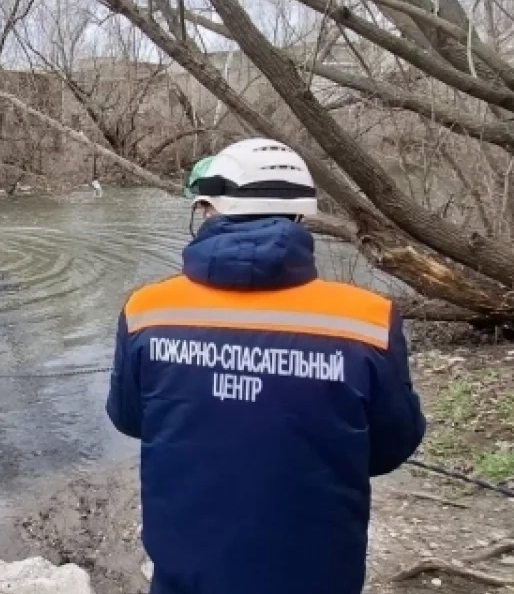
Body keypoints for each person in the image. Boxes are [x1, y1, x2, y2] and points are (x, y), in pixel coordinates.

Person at [106, 138, 426, 594]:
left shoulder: (148, 310)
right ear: (302, 215)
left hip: (188, 566)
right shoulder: (367, 319)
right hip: (319, 570)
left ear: (208, 209)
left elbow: (129, 418)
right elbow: (393, 445)